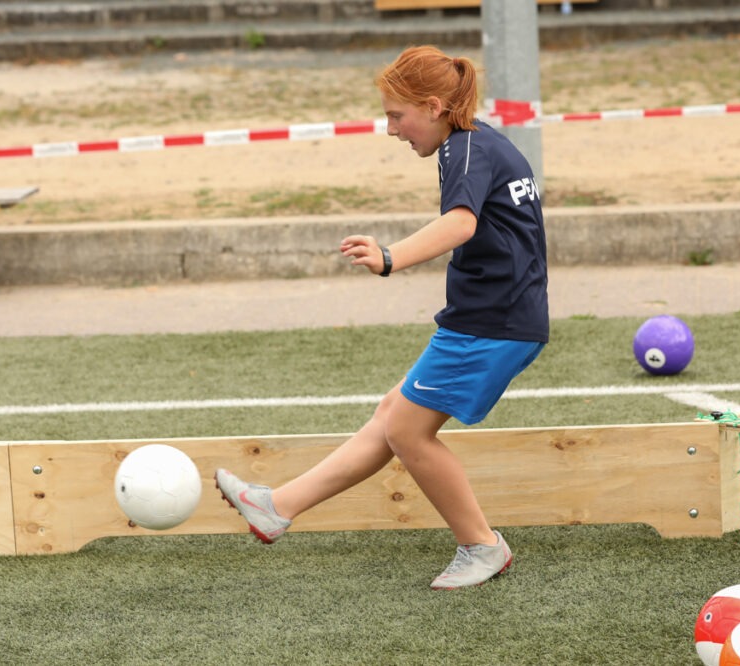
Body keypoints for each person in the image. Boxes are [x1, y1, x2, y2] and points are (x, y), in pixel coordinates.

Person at [215, 45, 549, 590]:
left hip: (492, 323)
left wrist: (390, 256)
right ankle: (276, 506)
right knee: (393, 413)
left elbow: (461, 224)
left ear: (435, 106)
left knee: (407, 431)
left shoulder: (464, 150)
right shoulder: (476, 143)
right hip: (489, 318)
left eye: (397, 115)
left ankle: (482, 545)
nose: (391, 129)